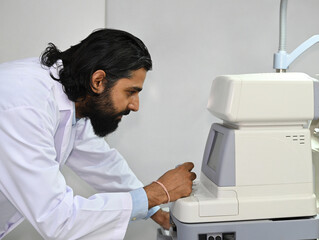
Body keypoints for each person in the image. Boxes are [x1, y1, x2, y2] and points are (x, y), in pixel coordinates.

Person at [0, 28, 196, 239]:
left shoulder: (71, 98)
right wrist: (155, 194)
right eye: (131, 92)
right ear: (98, 81)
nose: (136, 105)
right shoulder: (26, 105)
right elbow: (59, 219)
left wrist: (157, 211)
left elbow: (101, 162)